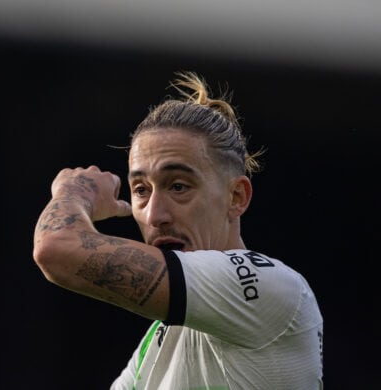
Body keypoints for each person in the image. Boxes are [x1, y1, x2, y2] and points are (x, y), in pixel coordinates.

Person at [32, 71, 323, 389]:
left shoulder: (269, 288)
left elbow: (55, 247)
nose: (155, 215)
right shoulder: (160, 340)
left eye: (179, 186)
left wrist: (75, 193)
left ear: (236, 197)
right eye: (141, 190)